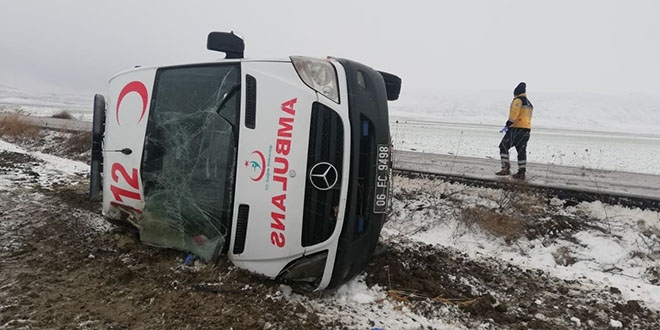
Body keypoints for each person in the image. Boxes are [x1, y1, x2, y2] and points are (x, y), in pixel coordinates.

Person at [496, 82, 533, 180]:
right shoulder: (529, 103)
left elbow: (514, 113)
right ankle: (521, 173)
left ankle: (505, 168)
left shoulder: (518, 100)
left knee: (503, 146)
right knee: (521, 150)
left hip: (516, 128)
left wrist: (508, 124)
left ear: (516, 92)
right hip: (526, 130)